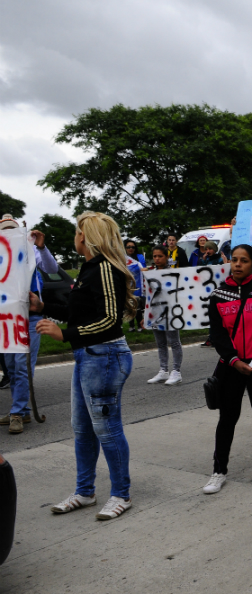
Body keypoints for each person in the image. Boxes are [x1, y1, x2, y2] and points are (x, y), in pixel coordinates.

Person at [33, 211, 138, 520]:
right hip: (89, 356)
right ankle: (85, 491)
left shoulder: (104, 268)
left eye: (77, 232)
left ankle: (121, 494)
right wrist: (43, 308)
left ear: (85, 236)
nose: (74, 237)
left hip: (105, 355)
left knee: (107, 429)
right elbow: (78, 312)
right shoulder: (90, 269)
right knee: (82, 430)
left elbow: (109, 320)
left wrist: (65, 334)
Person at [202, 244, 252, 494]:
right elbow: (217, 335)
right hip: (231, 367)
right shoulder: (218, 294)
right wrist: (234, 360)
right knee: (227, 420)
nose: (238, 264)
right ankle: (218, 472)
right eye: (235, 260)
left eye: (244, 260)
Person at [0, 216, 59, 434]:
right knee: (12, 367)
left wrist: (42, 248)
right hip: (7, 319)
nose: (8, 234)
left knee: (23, 366)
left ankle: (17, 412)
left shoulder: (31, 250)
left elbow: (52, 268)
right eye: (3, 230)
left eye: (11, 230)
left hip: (30, 316)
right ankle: (22, 411)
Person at [144, 245, 184, 386]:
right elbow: (148, 296)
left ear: (166, 257)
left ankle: (176, 371)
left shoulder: (173, 273)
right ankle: (163, 370)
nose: (157, 259)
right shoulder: (150, 274)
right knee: (160, 343)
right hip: (156, 313)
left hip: (171, 312)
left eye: (160, 256)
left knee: (173, 341)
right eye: (154, 256)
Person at [124, 240, 146, 333]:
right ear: (125, 248)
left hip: (138, 285)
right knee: (130, 307)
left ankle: (140, 325)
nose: (131, 249)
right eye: (128, 247)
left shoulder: (140, 257)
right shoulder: (122, 258)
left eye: (133, 247)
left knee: (138, 308)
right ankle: (131, 326)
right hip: (127, 286)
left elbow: (144, 269)